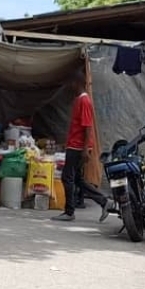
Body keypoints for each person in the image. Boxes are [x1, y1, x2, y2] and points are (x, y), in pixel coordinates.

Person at [53, 71, 110, 223]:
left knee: (68, 177)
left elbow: (87, 126)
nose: (68, 86)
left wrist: (85, 149)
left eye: (70, 83)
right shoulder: (79, 100)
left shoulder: (84, 101)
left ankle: (69, 211)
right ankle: (103, 201)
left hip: (78, 147)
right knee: (77, 179)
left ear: (76, 83)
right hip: (76, 145)